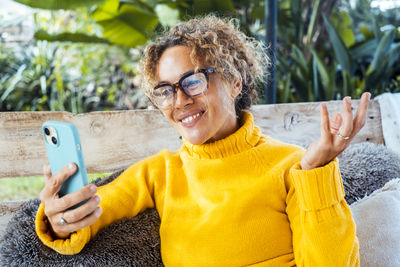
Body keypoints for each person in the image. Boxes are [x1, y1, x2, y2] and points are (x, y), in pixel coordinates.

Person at [36, 15, 369, 266]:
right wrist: (61, 218)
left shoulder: (293, 165)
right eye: (165, 91)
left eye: (193, 81)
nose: (179, 100)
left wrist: (317, 168)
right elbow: (90, 210)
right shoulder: (158, 173)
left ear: (235, 82)